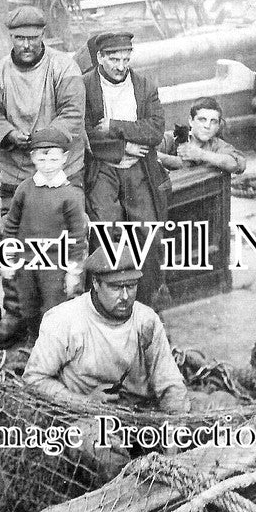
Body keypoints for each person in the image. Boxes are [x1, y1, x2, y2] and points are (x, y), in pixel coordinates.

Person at [0, 5, 86, 346]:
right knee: (14, 246)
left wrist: (42, 142)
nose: (26, 44)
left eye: (33, 38)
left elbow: (72, 113)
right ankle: (16, 315)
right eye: (19, 38)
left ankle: (63, 318)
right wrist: (10, 135)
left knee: (65, 247)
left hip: (60, 172)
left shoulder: (62, 66)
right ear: (10, 38)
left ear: (43, 36)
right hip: (16, 173)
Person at [24, 246, 190, 414]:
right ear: (96, 283)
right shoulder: (64, 320)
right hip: (84, 416)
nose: (125, 296)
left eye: (131, 286)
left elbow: (170, 382)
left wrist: (176, 423)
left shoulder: (147, 320)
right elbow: (34, 379)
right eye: (116, 287)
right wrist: (84, 402)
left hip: (142, 413)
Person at [83, 31, 170, 309]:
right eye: (114, 59)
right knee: (107, 232)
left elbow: (155, 130)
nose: (121, 66)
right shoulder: (84, 86)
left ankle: (147, 304)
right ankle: (107, 304)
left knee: (149, 235)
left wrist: (114, 126)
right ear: (99, 57)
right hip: (103, 168)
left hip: (139, 168)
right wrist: (122, 149)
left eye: (125, 58)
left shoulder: (144, 85)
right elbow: (83, 133)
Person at [1, 126, 87, 346]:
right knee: (27, 305)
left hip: (54, 264)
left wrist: (73, 271)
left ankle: (53, 347)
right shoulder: (24, 189)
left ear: (65, 158)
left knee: (53, 308)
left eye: (54, 160)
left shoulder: (70, 195)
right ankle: (32, 340)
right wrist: (8, 259)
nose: (48, 166)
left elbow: (78, 236)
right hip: (26, 261)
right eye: (42, 160)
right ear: (32, 158)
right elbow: (10, 225)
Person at [158, 96, 246, 173]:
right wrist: (173, 161)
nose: (207, 126)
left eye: (213, 121)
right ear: (191, 121)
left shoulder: (217, 145)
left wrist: (201, 154)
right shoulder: (171, 138)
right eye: (202, 120)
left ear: (218, 126)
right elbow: (148, 151)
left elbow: (237, 165)